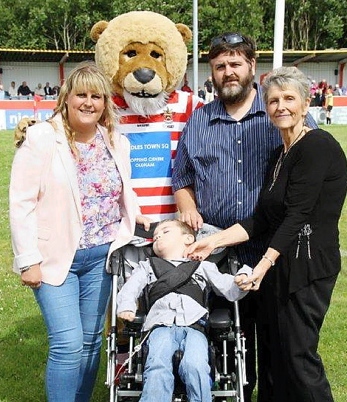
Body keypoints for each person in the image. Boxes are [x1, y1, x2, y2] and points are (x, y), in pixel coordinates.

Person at [185, 66, 347, 402]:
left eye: (289, 98)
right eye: (273, 100)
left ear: (306, 104)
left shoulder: (317, 147)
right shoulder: (279, 154)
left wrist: (261, 266)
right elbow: (261, 219)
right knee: (273, 357)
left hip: (307, 267)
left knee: (298, 358)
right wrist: (212, 240)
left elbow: (296, 215)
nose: (280, 106)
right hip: (279, 267)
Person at [172, 32, 317, 402]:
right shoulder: (199, 121)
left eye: (235, 64)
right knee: (225, 339)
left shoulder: (279, 113)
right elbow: (183, 178)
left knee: (278, 340)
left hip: (274, 249)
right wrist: (186, 204)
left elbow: (309, 175)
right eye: (220, 66)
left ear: (252, 66)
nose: (228, 72)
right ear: (212, 72)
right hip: (217, 250)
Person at [9, 61, 151, 402]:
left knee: (91, 342)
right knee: (68, 343)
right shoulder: (42, 138)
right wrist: (28, 260)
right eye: (81, 95)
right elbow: (21, 202)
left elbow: (121, 188)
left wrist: (137, 215)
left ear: (105, 103)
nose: (88, 102)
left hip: (102, 258)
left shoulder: (116, 141)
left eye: (96, 96)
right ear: (66, 99)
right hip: (55, 258)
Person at [117, 219, 252, 402]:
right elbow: (130, 289)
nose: (157, 237)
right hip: (160, 327)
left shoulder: (203, 266)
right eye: (155, 237)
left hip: (195, 327)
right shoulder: (148, 267)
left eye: (165, 232)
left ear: (188, 238)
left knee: (195, 365)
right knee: (157, 365)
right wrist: (126, 306)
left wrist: (242, 279)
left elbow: (229, 288)